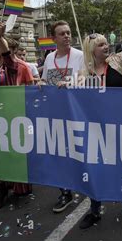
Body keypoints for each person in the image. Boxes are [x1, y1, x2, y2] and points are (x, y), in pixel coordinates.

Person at [78, 3, 122, 229]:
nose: (106, 46)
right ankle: (95, 209)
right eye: (101, 44)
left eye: (107, 43)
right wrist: (62, 85)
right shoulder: (83, 73)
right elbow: (76, 97)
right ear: (91, 50)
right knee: (95, 169)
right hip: (96, 129)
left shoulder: (118, 60)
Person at [39, 20, 84, 213]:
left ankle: (84, 184)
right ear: (53, 38)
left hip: (75, 114)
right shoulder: (49, 58)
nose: (67, 36)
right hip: (55, 114)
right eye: (62, 33)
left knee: (77, 153)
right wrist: (41, 82)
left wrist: (72, 81)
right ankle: (64, 192)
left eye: (68, 32)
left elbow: (85, 78)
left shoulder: (80, 56)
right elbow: (46, 79)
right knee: (59, 154)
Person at [0, 24, 34, 210]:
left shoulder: (14, 67)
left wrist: (0, 37)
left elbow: (29, 89)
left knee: (15, 153)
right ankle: (0, 191)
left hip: (13, 115)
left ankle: (19, 186)